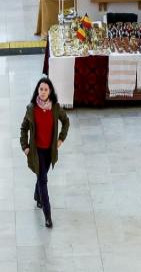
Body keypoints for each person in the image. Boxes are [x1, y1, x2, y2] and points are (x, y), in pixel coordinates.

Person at [19, 77, 70, 228]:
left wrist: (61, 139)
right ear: (37, 90)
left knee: (42, 175)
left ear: (50, 91)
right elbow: (23, 128)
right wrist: (25, 146)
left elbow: (66, 121)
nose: (43, 92)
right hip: (37, 151)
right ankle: (47, 215)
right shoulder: (31, 109)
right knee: (43, 180)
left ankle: (37, 196)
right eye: (41, 89)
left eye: (46, 89)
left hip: (49, 151)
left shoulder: (55, 108)